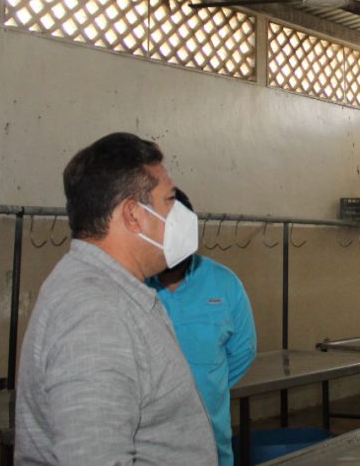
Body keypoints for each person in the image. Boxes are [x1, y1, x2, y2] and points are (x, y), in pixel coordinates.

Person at [15, 132, 216, 465]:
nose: (180, 214)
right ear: (134, 215)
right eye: (169, 200)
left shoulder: (114, 290)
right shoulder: (94, 314)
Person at [147, 188, 257, 466]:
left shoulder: (225, 283)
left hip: (211, 446)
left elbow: (243, 351)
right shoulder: (131, 286)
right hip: (146, 448)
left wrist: (208, 387)